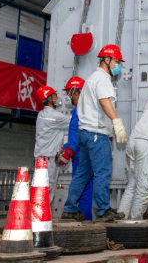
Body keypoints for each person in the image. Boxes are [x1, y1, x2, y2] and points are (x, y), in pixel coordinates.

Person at [62, 44, 128, 222]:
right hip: (97, 134)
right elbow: (104, 101)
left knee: (82, 173)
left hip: (84, 134)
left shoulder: (90, 78)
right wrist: (116, 120)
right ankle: (103, 210)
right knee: (103, 172)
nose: (117, 65)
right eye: (116, 61)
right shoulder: (102, 78)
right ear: (107, 60)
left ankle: (69, 208)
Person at [56, 76, 94, 219]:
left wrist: (69, 151)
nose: (68, 98)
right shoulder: (86, 108)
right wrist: (65, 147)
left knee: (80, 186)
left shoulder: (78, 110)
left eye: (68, 94)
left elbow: (77, 135)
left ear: (74, 91)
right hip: (86, 153)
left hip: (79, 155)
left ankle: (72, 211)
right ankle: (86, 219)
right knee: (87, 189)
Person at [34, 85, 72, 204]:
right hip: (47, 159)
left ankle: (42, 219)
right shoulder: (53, 116)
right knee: (46, 190)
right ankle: (39, 219)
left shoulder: (42, 114)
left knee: (43, 190)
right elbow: (73, 121)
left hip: (43, 157)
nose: (57, 97)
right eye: (55, 95)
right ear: (49, 98)